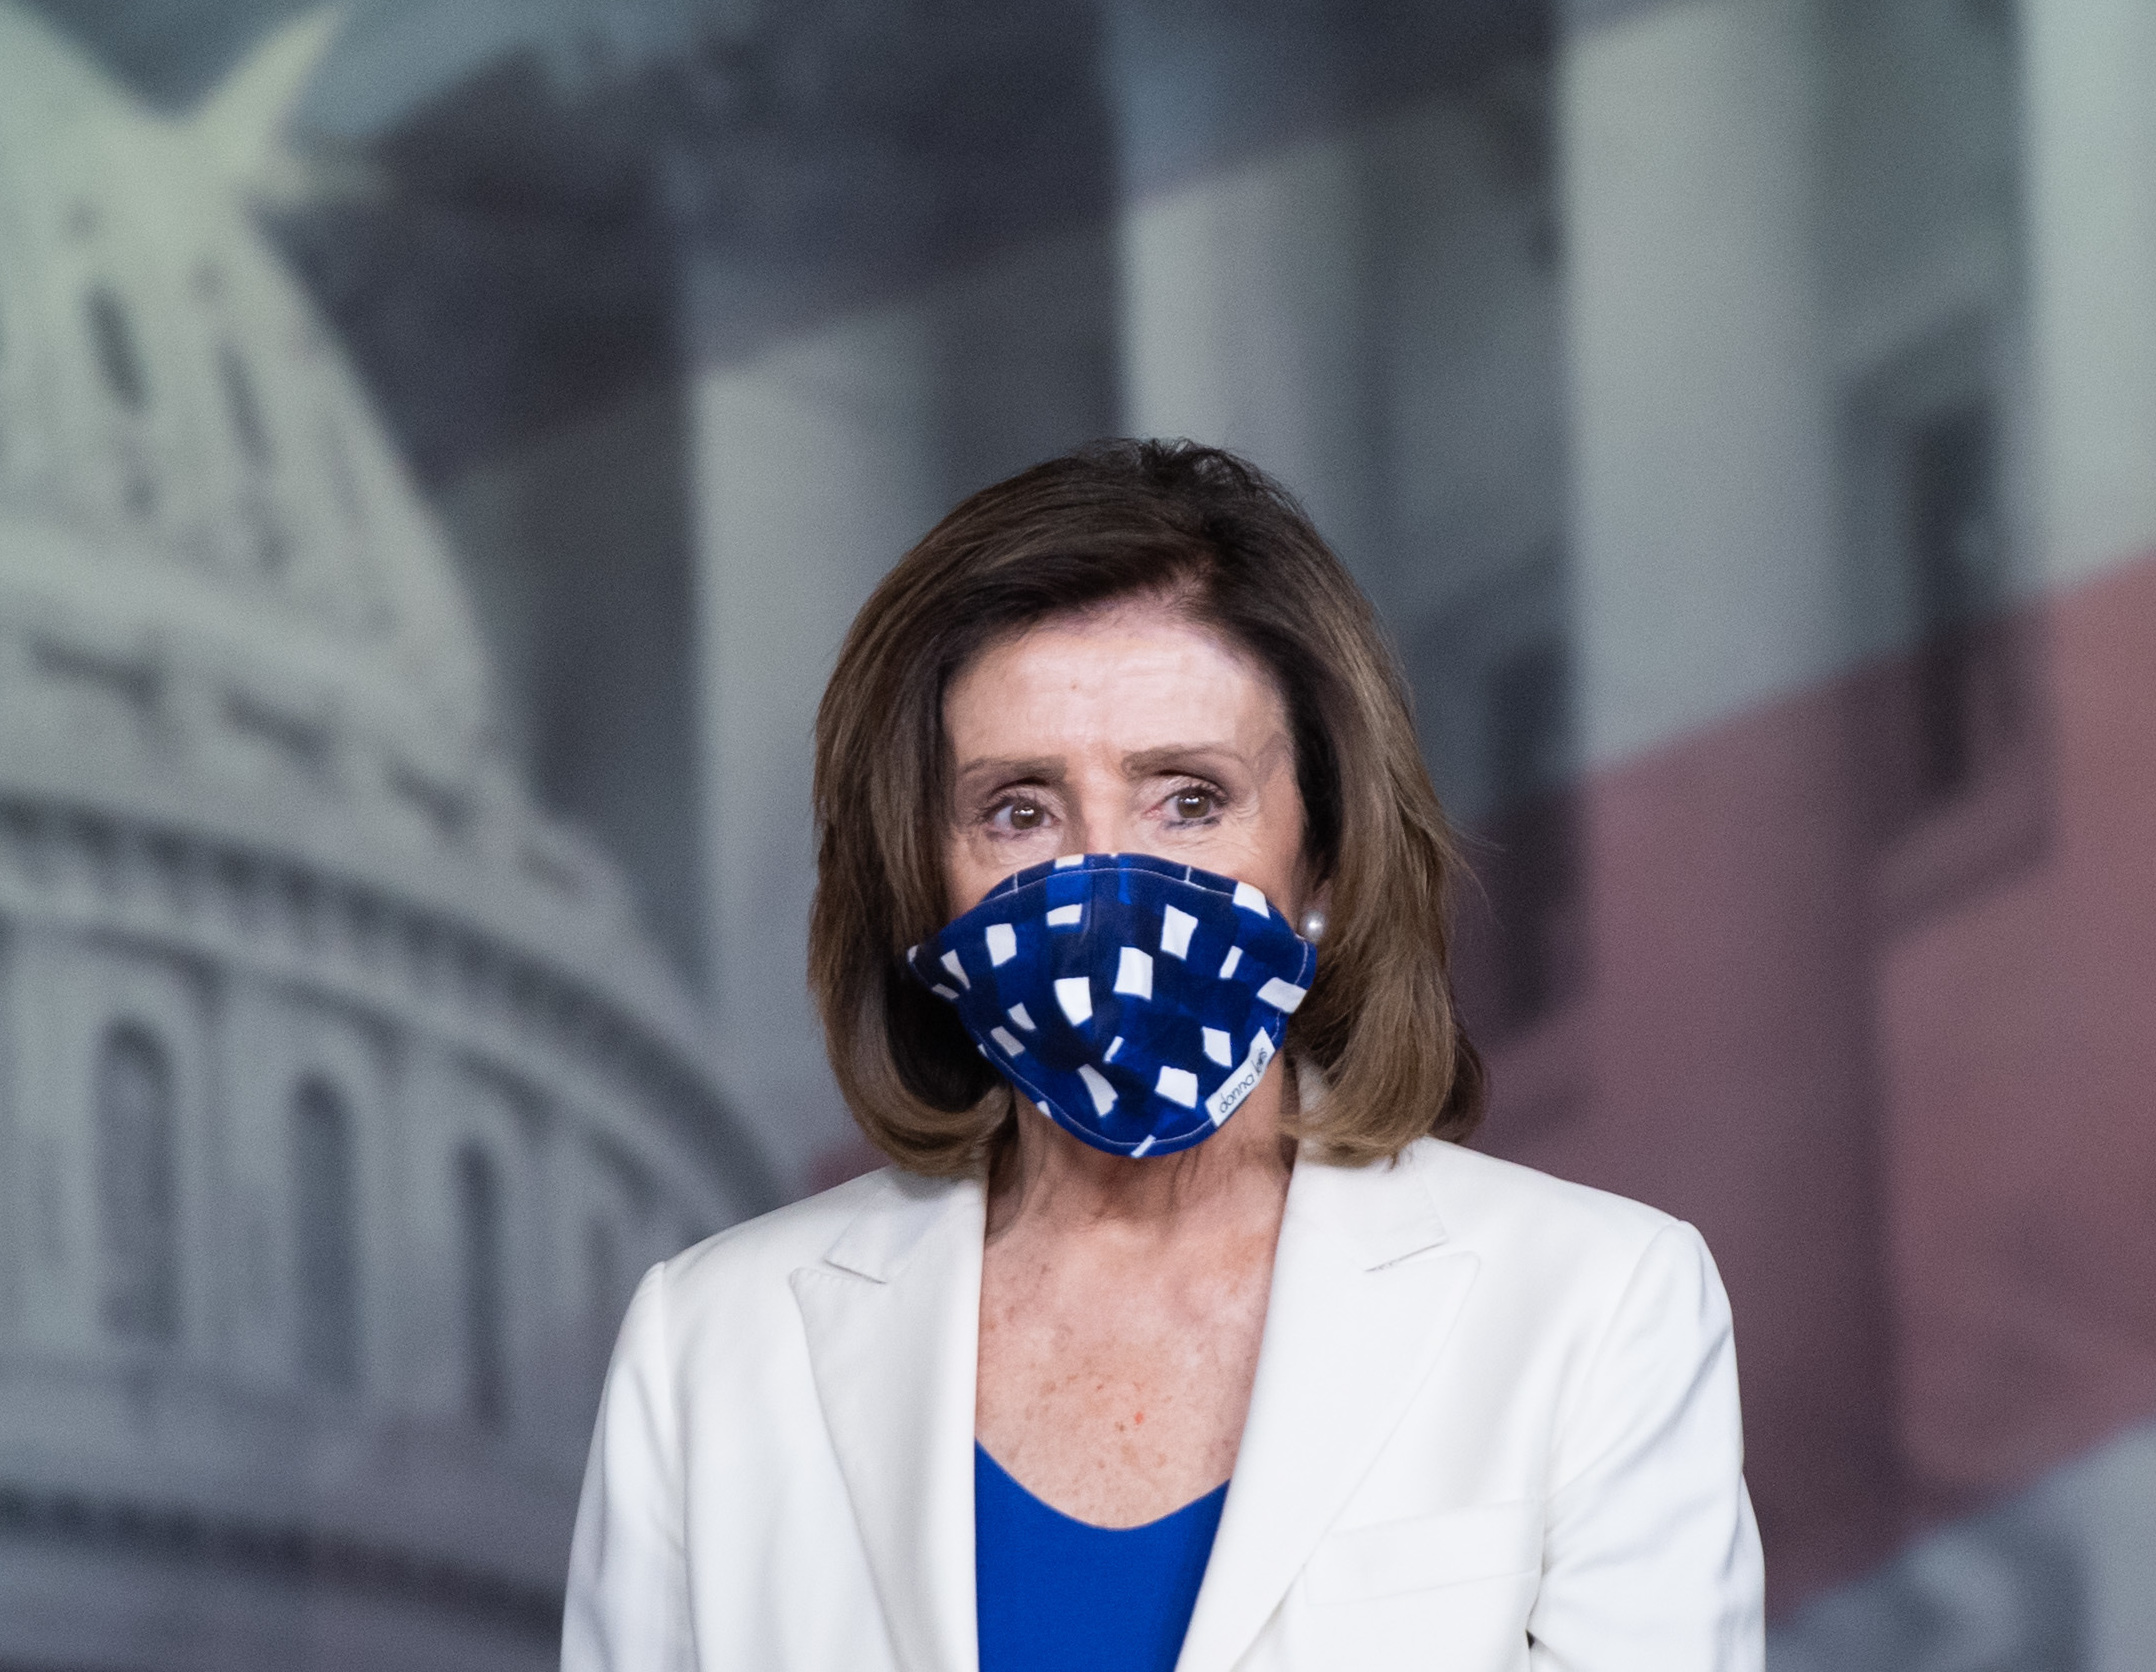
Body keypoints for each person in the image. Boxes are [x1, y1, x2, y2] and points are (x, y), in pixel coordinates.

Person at [562, 440, 1764, 1672]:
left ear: (1327, 861)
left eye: (1188, 797)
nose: (1103, 884)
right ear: (920, 886)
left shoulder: (1598, 1310)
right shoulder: (709, 1348)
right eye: (1018, 809)